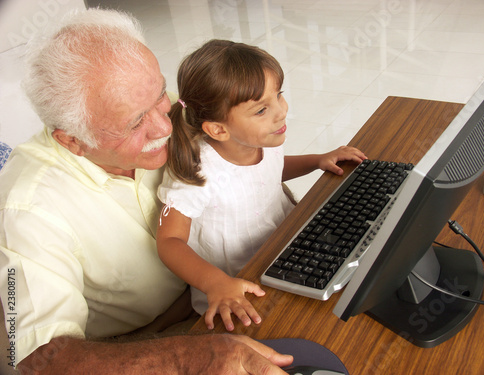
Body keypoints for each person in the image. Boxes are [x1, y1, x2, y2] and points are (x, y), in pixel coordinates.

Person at [0, 9, 293, 374]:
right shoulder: (27, 207)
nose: (164, 126)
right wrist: (190, 357)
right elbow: (35, 360)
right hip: (140, 344)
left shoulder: (176, 109)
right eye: (135, 122)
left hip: (223, 288)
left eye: (158, 96)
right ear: (72, 140)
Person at [156, 40, 367, 332]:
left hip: (285, 249)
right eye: (261, 110)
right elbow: (169, 242)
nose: (280, 112)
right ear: (219, 129)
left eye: (278, 95)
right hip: (239, 285)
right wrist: (215, 283)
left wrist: (318, 160)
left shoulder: (262, 139)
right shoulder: (197, 172)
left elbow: (269, 171)